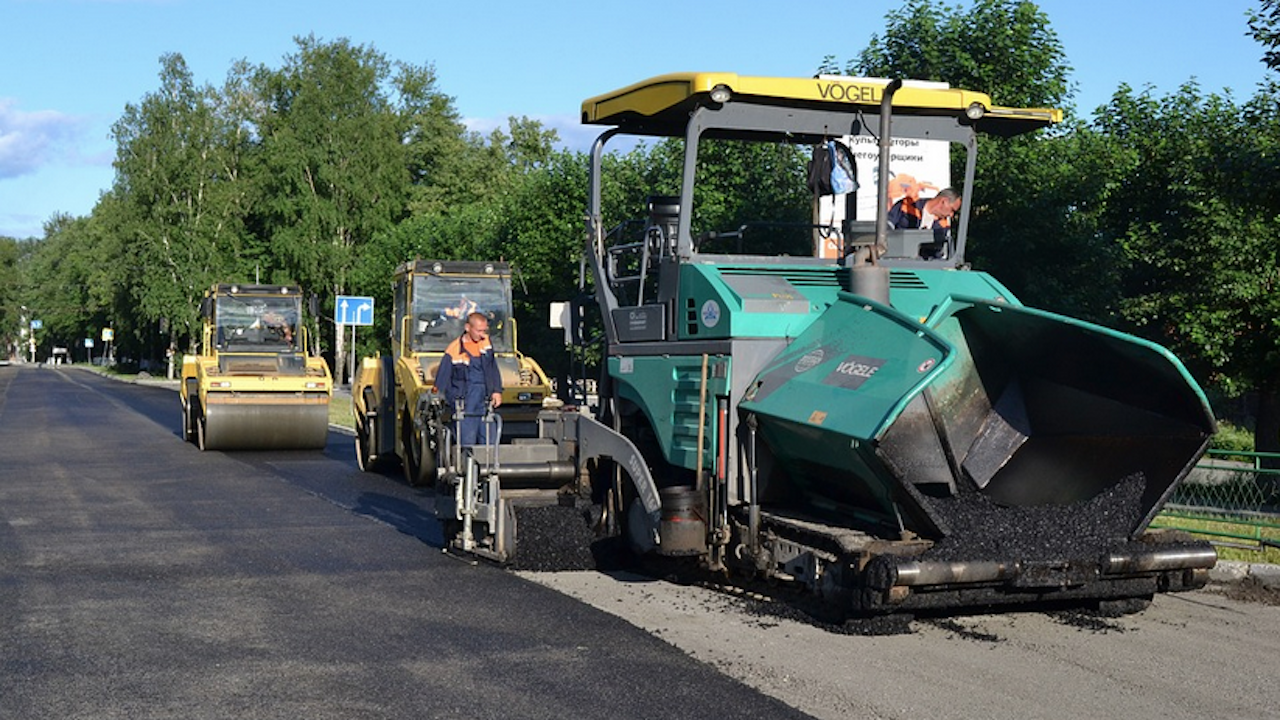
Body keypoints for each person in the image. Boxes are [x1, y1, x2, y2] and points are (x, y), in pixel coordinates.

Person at [435, 312, 504, 446]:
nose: (482, 334)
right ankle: (466, 466)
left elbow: (492, 369)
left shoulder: (486, 345)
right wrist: (445, 398)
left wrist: (497, 390)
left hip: (485, 405)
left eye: (484, 330)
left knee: (490, 443)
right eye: (479, 331)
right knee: (467, 445)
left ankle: (488, 467)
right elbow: (442, 379)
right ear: (468, 327)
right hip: (465, 407)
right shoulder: (454, 350)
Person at [887, 187, 961, 245]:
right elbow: (886, 228)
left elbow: (939, 254)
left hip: (924, 263)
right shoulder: (907, 205)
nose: (951, 215)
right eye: (952, 210)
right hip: (895, 260)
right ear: (943, 201)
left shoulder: (944, 226)